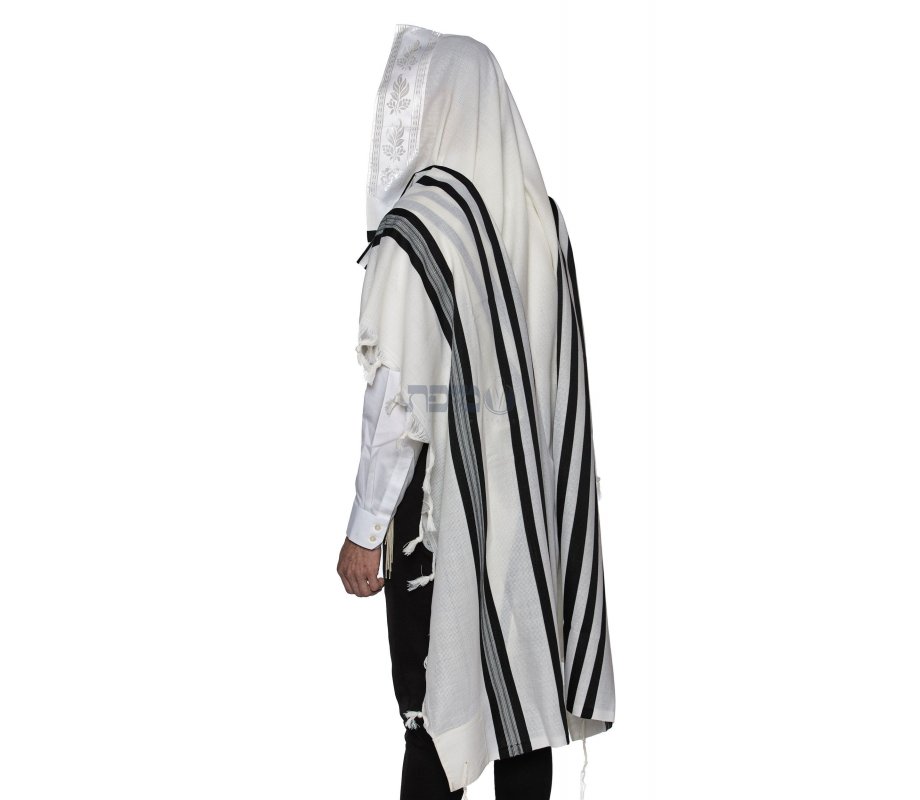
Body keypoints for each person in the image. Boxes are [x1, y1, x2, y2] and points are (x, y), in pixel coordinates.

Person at [336, 24, 616, 799]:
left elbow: (401, 398)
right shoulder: (542, 219)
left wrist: (365, 528)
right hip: (532, 513)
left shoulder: (422, 228)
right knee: (525, 709)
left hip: (439, 515)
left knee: (435, 714)